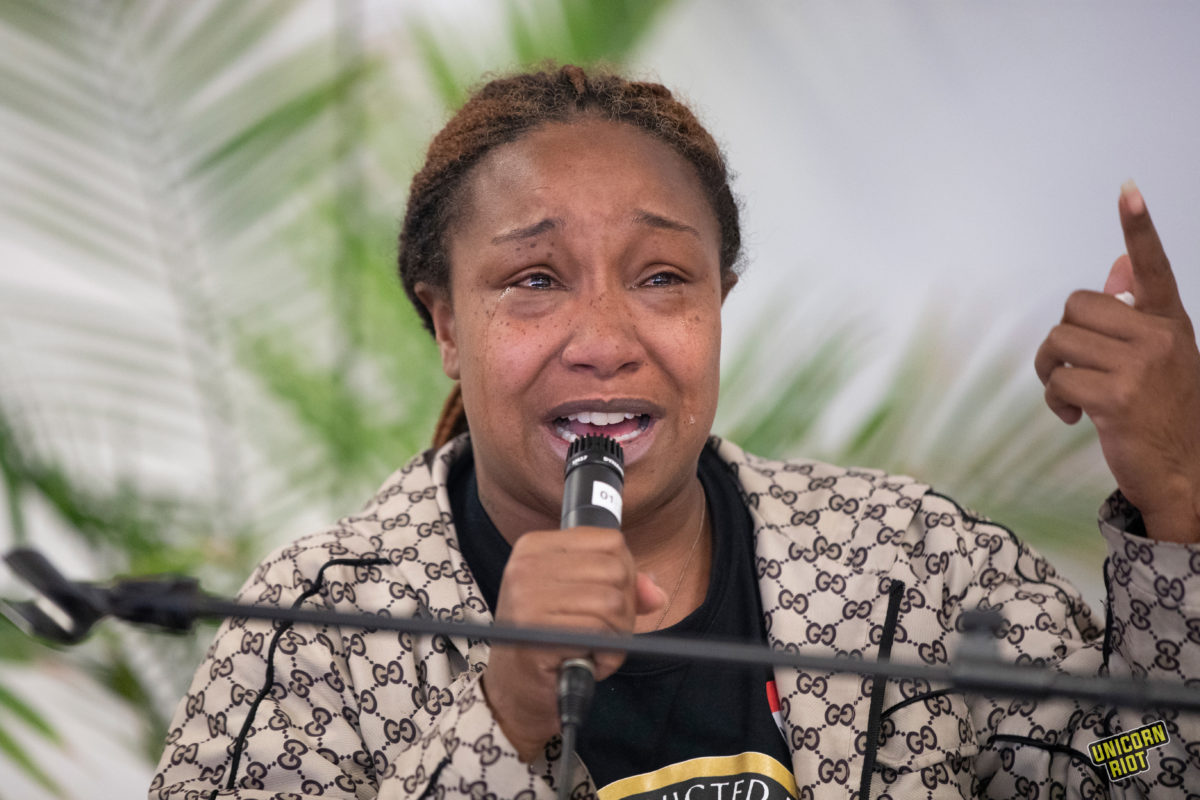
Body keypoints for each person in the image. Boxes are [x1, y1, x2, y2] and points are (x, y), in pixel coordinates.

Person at [150, 65, 1200, 800]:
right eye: (532, 280)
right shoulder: (320, 622)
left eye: (661, 278)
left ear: (718, 302)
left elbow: (1141, 763)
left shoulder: (908, 565)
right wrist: (505, 714)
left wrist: (1182, 495)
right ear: (447, 327)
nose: (606, 339)